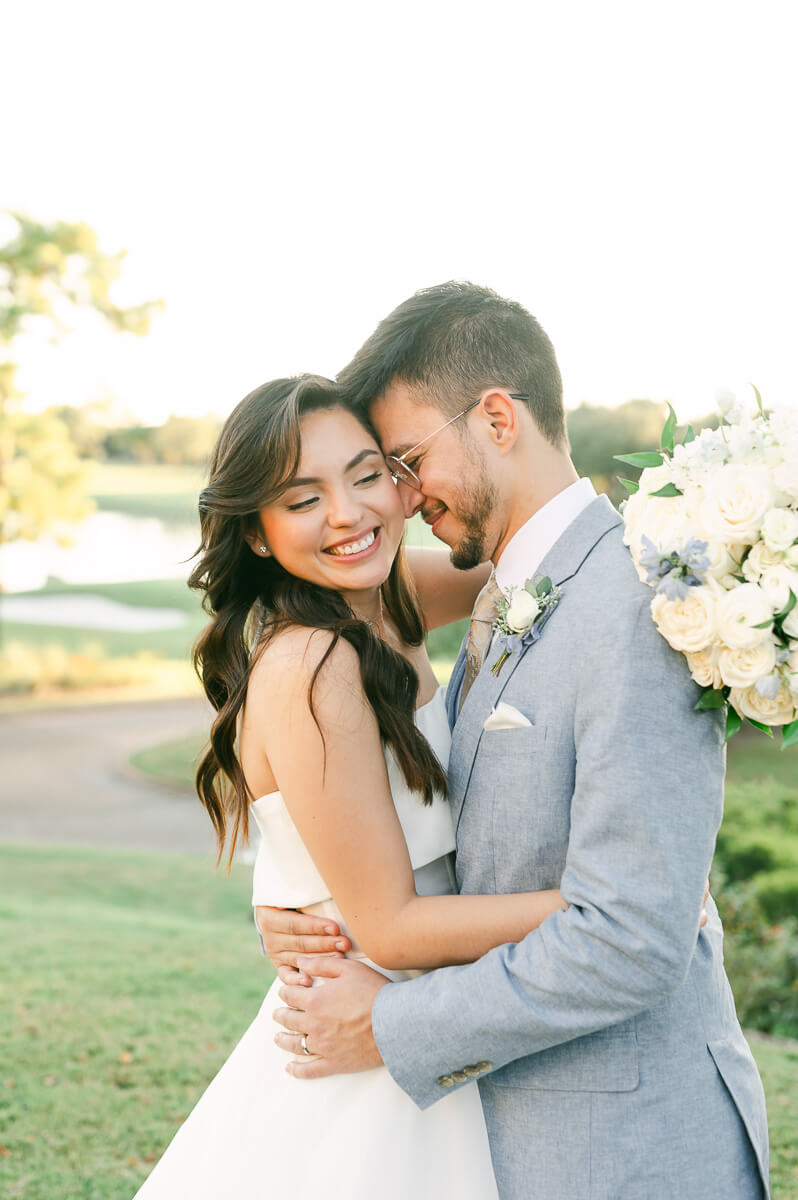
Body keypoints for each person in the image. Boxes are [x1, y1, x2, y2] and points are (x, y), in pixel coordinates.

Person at [260, 284, 771, 1199]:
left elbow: (629, 939)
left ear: (497, 417)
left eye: (408, 460)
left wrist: (391, 1022)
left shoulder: (638, 606)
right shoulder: (511, 583)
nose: (403, 499)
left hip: (629, 1149)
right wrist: (319, 907)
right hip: (522, 1136)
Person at [134, 372, 589, 1199]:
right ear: (260, 534)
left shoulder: (388, 597)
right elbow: (392, 925)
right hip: (371, 1031)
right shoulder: (311, 665)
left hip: (425, 1015)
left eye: (367, 474)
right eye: (303, 498)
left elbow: (550, 564)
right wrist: (598, 907)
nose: (348, 514)